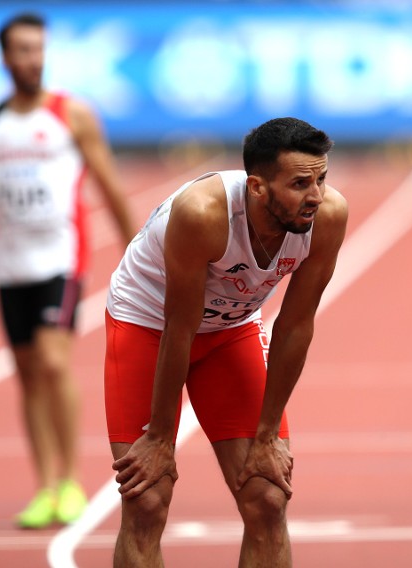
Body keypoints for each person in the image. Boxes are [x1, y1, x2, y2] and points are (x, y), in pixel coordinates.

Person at [105, 117, 348, 566]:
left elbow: (295, 326)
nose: (315, 195)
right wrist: (160, 437)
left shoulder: (327, 215)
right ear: (257, 187)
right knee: (147, 499)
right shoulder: (203, 213)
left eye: (321, 178)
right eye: (299, 183)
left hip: (230, 329)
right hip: (149, 326)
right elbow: (179, 325)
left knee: (267, 496)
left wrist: (267, 435)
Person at [0, 12, 137, 529]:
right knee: (28, 376)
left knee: (54, 363)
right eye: (23, 50)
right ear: (5, 58)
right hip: (10, 266)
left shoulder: (71, 115)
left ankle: (72, 480)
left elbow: (110, 186)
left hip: (60, 258)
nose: (33, 58)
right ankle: (44, 487)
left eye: (39, 49)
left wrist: (139, 252)